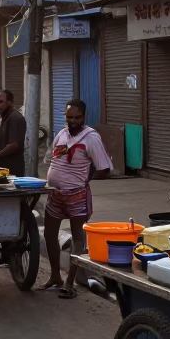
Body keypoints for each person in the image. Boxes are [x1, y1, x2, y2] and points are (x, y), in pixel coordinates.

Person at [41, 99, 113, 298]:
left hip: (77, 196)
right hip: (55, 194)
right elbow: (53, 158)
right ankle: (55, 276)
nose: (72, 121)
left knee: (78, 238)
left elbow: (104, 169)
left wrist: (85, 179)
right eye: (69, 117)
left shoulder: (91, 137)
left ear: (84, 117)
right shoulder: (62, 134)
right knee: (49, 235)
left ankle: (70, 282)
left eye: (76, 117)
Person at [0, 90, 27, 176]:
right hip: (2, 167)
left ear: (10, 102)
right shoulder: (2, 117)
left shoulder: (15, 118)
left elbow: (14, 144)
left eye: (0, 102)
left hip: (12, 168)